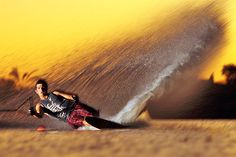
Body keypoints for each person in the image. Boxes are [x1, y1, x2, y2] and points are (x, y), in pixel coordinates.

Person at [29, 79, 99, 130]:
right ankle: (97, 125)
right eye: (39, 88)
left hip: (74, 107)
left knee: (94, 114)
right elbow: (39, 114)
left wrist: (73, 97)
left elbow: (69, 96)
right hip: (68, 117)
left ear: (46, 88)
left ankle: (100, 122)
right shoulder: (41, 105)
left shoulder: (55, 93)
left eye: (43, 87)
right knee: (84, 121)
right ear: (36, 91)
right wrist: (33, 113)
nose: (41, 89)